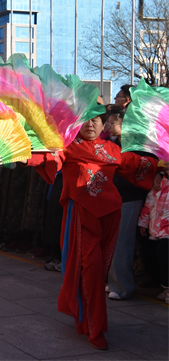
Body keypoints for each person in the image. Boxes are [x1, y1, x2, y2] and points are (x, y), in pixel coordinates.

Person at [24, 113, 161, 351]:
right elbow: (41, 159)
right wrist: (18, 152)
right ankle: (94, 327)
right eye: (86, 120)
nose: (90, 124)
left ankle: (87, 315)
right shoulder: (66, 148)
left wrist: (159, 168)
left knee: (100, 271)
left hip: (110, 215)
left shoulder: (111, 149)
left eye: (96, 120)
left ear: (104, 124)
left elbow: (137, 164)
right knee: (92, 269)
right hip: (82, 215)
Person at [106, 108, 152, 300]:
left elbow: (140, 173)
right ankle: (114, 282)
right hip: (114, 197)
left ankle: (123, 286)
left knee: (122, 242)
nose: (108, 126)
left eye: (112, 123)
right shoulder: (112, 144)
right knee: (113, 241)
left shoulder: (136, 146)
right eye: (107, 123)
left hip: (130, 197)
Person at [138, 173, 169, 303]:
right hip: (157, 227)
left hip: (165, 228)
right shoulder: (159, 182)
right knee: (156, 253)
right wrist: (143, 223)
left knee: (164, 251)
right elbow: (149, 203)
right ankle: (164, 287)